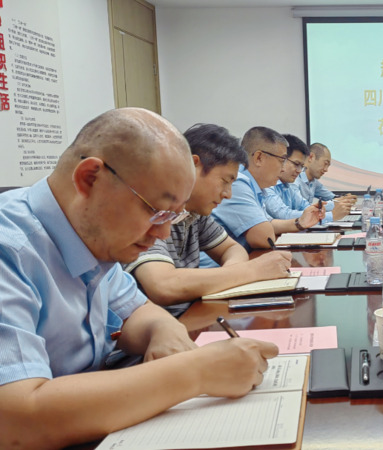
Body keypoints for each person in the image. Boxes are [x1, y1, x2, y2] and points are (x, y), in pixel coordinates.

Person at [0, 108, 278, 448]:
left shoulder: (95, 238)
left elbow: (139, 311)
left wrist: (163, 330)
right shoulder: (10, 249)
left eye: (173, 216)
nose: (163, 233)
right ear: (90, 178)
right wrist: (195, 372)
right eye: (156, 211)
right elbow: (15, 419)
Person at [124, 123, 292, 317]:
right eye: (225, 181)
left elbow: (232, 248)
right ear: (193, 165)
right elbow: (163, 285)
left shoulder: (195, 214)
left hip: (189, 317)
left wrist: (230, 275)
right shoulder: (151, 211)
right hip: (164, 325)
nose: (228, 194)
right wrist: (250, 271)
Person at [211, 127, 323, 252]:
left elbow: (267, 223)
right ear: (259, 158)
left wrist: (300, 222)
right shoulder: (237, 183)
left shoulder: (257, 187)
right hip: (221, 263)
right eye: (282, 160)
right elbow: (264, 238)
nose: (283, 169)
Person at [264, 135, 353, 223]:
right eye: (296, 164)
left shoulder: (288, 185)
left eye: (301, 166)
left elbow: (306, 207)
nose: (299, 171)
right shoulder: (267, 186)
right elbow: (284, 215)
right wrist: (331, 215)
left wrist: (337, 205)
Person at [295, 142, 357, 211]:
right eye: (325, 163)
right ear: (311, 157)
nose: (326, 170)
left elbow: (330, 197)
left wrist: (344, 199)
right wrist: (336, 202)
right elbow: (305, 209)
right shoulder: (295, 180)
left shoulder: (313, 182)